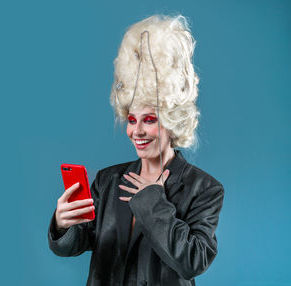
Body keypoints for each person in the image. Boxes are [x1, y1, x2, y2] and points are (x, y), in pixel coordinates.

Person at [48, 14, 224, 286]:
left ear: (171, 121)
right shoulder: (108, 181)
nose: (136, 131)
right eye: (131, 120)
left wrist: (152, 199)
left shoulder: (204, 189)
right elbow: (77, 243)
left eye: (149, 120)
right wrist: (62, 224)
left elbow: (193, 261)